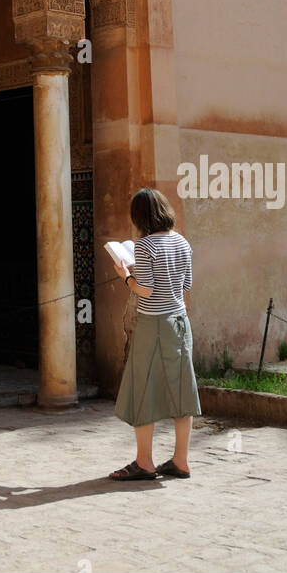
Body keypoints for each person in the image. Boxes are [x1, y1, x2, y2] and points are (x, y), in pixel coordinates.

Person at [108, 186, 201, 481]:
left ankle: (145, 462)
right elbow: (185, 286)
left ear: (139, 216)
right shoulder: (183, 243)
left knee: (142, 389)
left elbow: (145, 291)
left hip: (154, 324)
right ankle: (181, 461)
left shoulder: (145, 246)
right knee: (181, 391)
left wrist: (126, 276)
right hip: (180, 322)